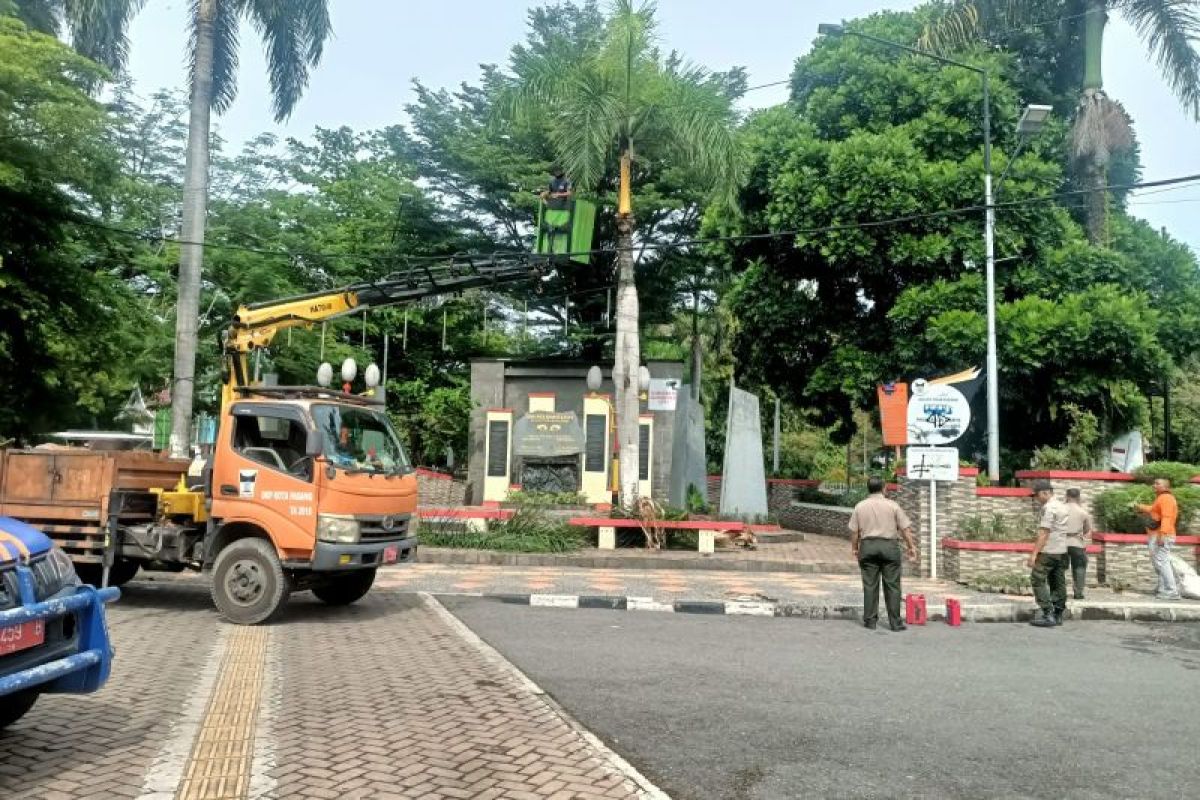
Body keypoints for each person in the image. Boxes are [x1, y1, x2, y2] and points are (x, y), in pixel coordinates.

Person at [849, 477, 918, 631]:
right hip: (889, 547)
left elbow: (854, 531)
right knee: (892, 585)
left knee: (869, 585)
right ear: (883, 488)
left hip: (868, 547)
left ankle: (870, 621)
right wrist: (911, 546)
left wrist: (855, 548)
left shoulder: (860, 506)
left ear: (868, 489)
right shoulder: (893, 506)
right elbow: (905, 529)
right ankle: (895, 622)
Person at [1028, 479, 1071, 627]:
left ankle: (1047, 613)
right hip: (1062, 550)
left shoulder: (1049, 508)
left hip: (1049, 551)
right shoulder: (1063, 506)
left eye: (1037, 495)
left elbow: (1044, 533)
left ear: (1046, 493)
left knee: (1037, 578)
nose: (1036, 498)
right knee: (1057, 581)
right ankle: (1058, 613)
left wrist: (1034, 554)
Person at [1135, 478, 1180, 600]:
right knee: (1160, 562)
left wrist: (1163, 534)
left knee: (1161, 561)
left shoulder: (1166, 498)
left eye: (1157, 483)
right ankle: (1163, 589)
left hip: (1162, 534)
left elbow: (1166, 517)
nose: (1154, 485)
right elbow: (1153, 510)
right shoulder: (1162, 498)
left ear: (1165, 487)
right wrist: (1140, 507)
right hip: (1159, 534)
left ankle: (1172, 590)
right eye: (1154, 483)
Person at [1064, 488, 1093, 600]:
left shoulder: (1060, 510)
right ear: (1078, 497)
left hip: (1061, 542)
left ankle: (1058, 591)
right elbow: (1087, 530)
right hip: (1076, 542)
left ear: (1067, 496)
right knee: (1079, 567)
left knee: (1059, 568)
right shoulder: (1083, 512)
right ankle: (1078, 593)